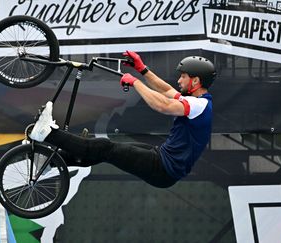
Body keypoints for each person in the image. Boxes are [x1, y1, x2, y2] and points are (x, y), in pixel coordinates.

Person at [29, 51, 216, 188]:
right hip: (163, 161)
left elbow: (163, 106)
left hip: (163, 168)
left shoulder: (198, 105)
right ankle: (50, 162)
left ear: (195, 81)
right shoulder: (197, 102)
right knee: (102, 151)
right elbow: (166, 90)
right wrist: (142, 69)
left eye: (183, 77)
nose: (179, 81)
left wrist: (135, 82)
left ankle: (48, 133)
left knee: (104, 148)